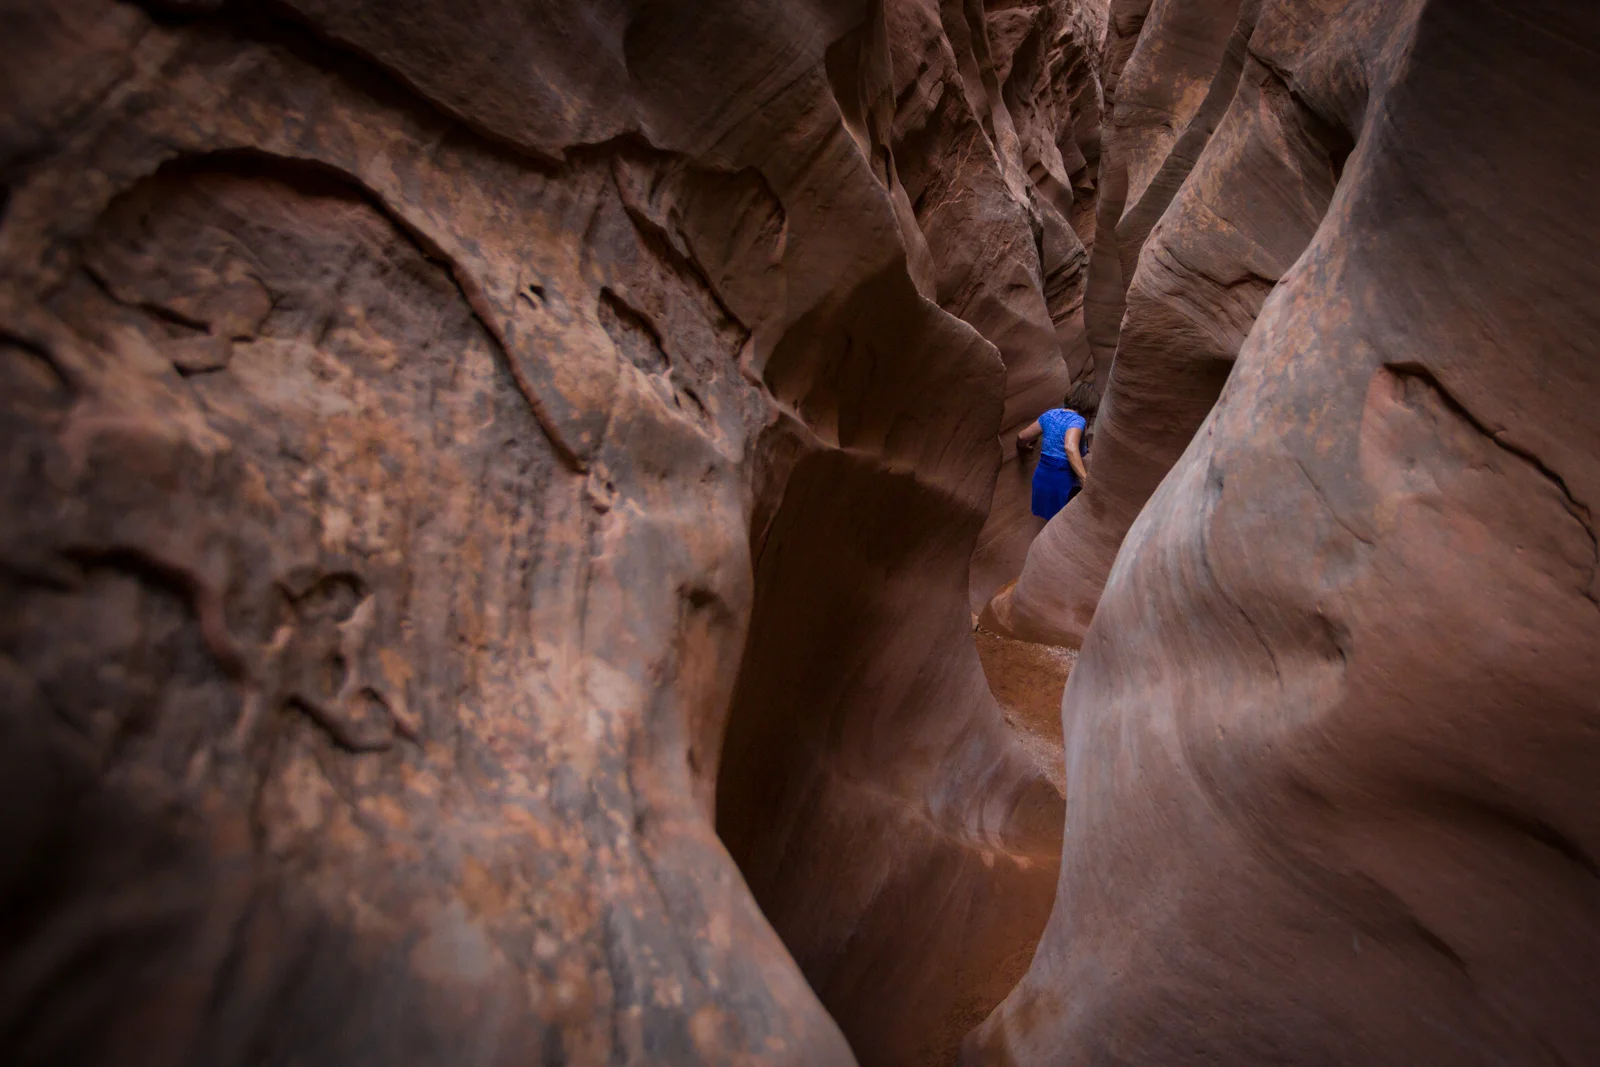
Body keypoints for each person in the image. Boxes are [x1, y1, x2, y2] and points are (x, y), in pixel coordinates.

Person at [1017, 381, 1098, 520]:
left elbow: (1022, 436)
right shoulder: (1078, 421)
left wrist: (1023, 445)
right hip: (1061, 480)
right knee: (1065, 522)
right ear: (1089, 404)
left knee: (1050, 521)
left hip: (1042, 475)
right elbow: (1070, 447)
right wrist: (1085, 479)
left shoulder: (1049, 415)